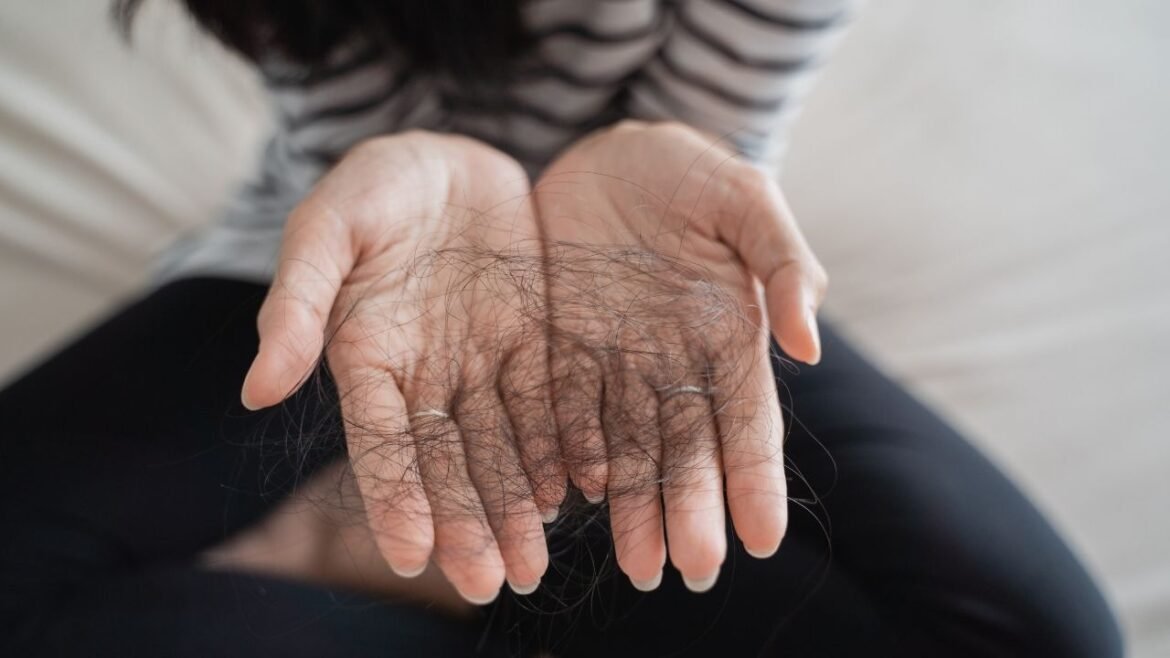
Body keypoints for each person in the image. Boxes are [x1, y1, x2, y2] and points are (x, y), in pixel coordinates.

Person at [0, 1, 1124, 656]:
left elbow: (714, 124)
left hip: (657, 253)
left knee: (1041, 639)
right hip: (375, 240)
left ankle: (509, 577)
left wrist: (641, 187)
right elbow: (354, 116)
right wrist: (427, 173)